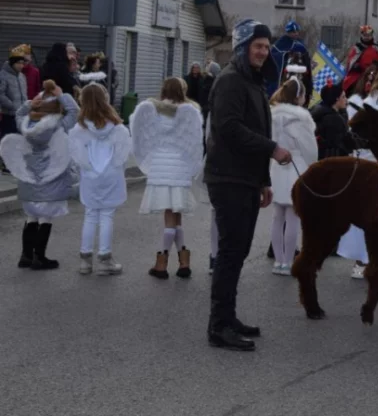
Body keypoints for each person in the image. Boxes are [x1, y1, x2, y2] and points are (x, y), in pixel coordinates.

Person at [204, 18, 291, 352]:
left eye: (267, 47)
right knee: (229, 252)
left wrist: (264, 180)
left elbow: (258, 128)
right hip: (227, 177)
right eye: (257, 46)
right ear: (242, 47)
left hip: (245, 179)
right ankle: (218, 325)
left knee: (237, 252)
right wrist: (272, 150)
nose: (263, 52)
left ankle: (228, 317)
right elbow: (229, 128)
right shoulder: (230, 81)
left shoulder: (253, 81)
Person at [130, 77, 204, 280]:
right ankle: (184, 262)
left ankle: (161, 265)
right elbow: (196, 142)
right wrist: (194, 167)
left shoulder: (152, 111)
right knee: (176, 218)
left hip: (160, 168)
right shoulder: (189, 112)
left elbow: (138, 133)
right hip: (180, 169)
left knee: (169, 219)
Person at [0, 80, 79, 270]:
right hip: (50, 178)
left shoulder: (25, 125)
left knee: (31, 216)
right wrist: (61, 94)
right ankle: (39, 257)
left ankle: (25, 256)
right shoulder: (59, 125)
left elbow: (18, 113)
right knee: (45, 218)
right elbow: (74, 111)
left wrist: (29, 104)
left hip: (29, 178)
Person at [338, 62, 378, 279]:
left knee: (362, 214)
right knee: (376, 215)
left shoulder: (365, 102)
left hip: (359, 165)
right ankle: (368, 260)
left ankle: (361, 260)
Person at [67, 83, 132, 276]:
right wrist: (111, 166)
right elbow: (123, 155)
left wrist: (89, 168)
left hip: (90, 176)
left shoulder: (79, 129)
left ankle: (85, 260)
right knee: (106, 216)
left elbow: (77, 156)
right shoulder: (118, 128)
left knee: (90, 214)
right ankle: (105, 259)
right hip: (111, 175)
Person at [269, 78, 320, 276]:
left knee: (277, 216)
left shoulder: (272, 115)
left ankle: (278, 261)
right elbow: (310, 148)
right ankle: (289, 262)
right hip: (296, 165)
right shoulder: (302, 118)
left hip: (276, 166)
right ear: (298, 96)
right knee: (293, 216)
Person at [269, 21, 313, 105]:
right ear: (288, 32)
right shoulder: (280, 44)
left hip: (300, 78)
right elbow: (275, 57)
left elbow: (306, 63)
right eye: (293, 32)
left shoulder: (301, 45)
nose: (295, 34)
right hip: (286, 78)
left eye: (297, 32)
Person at [1, 47, 29, 174]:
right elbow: (1, 94)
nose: (21, 66)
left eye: (23, 63)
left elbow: (24, 93)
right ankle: (7, 164)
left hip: (21, 114)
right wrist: (11, 105)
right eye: (19, 63)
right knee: (8, 139)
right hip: (9, 114)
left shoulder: (22, 77)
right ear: (12, 63)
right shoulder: (3, 75)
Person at [309, 83, 354, 160]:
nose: (346, 99)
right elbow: (340, 144)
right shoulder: (334, 119)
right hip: (334, 162)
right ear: (336, 99)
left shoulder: (322, 112)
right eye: (343, 97)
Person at [342, 25, 378, 95]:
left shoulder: (376, 48)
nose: (367, 37)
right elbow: (350, 62)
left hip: (373, 73)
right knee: (346, 84)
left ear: (371, 35)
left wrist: (377, 66)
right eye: (365, 35)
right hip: (358, 74)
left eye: (369, 35)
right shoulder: (356, 48)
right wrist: (356, 66)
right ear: (362, 35)